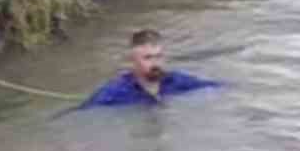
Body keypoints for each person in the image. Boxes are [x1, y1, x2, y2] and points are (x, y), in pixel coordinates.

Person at [78, 28, 221, 108]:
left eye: (158, 56)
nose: (155, 63)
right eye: (147, 58)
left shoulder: (176, 81)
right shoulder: (114, 93)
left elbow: (215, 87)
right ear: (133, 61)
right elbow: (83, 114)